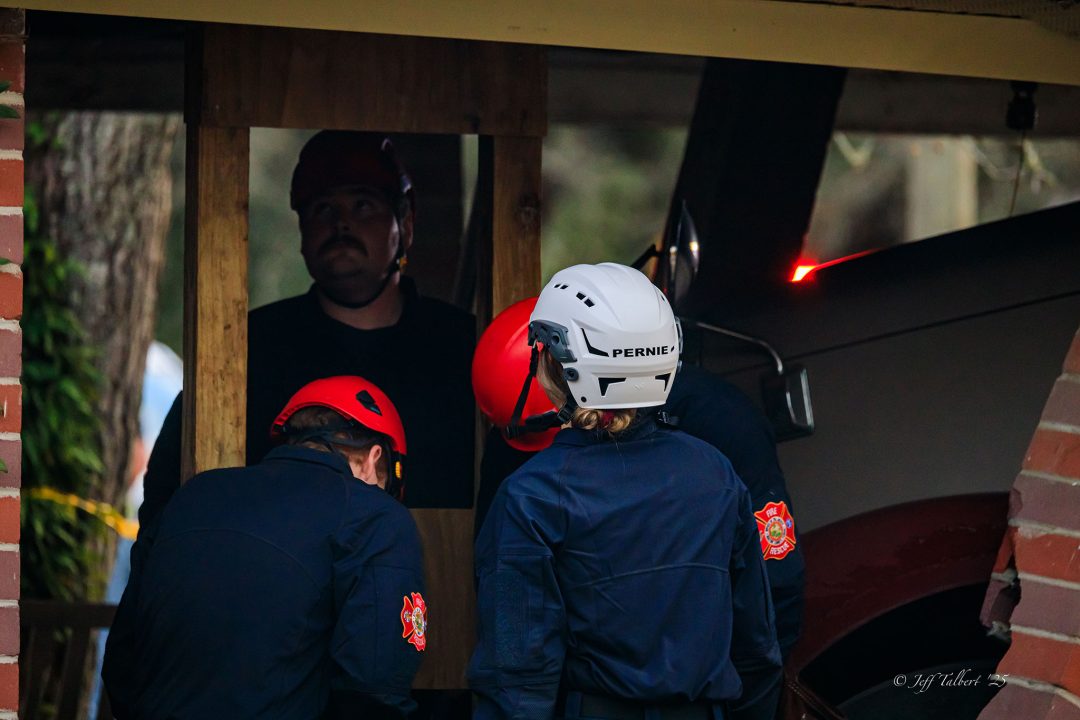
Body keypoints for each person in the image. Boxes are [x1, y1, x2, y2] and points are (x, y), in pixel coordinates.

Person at [469, 263, 783, 720]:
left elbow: (516, 682)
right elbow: (757, 650)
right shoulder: (715, 473)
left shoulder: (531, 496)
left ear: (558, 365)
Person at [140, 130, 475, 535]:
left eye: (363, 205)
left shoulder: (461, 346)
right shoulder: (245, 348)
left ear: (403, 223)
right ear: (301, 234)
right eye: (321, 209)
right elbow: (167, 495)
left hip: (444, 587)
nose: (341, 223)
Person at [103, 376, 427, 719]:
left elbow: (122, 658)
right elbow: (375, 691)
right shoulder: (376, 516)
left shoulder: (194, 494)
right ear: (374, 459)